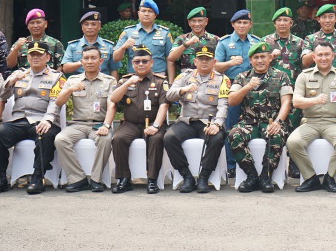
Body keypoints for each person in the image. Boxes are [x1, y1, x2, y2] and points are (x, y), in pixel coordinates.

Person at [0, 41, 65, 194]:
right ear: (27, 58)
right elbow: (2, 95)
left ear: (47, 57)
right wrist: (11, 81)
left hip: (42, 119)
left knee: (44, 135)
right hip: (19, 120)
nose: (35, 57)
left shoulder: (56, 77)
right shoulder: (19, 73)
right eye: (32, 55)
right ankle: (0, 177)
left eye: (39, 55)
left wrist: (48, 119)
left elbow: (56, 102)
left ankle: (37, 177)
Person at [286, 41, 336, 193]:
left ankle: (330, 178)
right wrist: (314, 100)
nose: (323, 58)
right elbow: (296, 102)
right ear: (313, 57)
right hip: (310, 122)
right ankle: (311, 178)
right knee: (293, 142)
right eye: (320, 55)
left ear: (333, 56)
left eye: (327, 54)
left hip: (333, 123)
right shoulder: (304, 76)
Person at [163, 42, 230, 194]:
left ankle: (204, 176)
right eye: (201, 59)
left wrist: (217, 124)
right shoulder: (185, 76)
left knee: (217, 139)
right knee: (169, 138)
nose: (204, 62)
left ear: (214, 61)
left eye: (208, 59)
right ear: (195, 61)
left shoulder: (222, 79)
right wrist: (183, 90)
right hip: (187, 121)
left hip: (208, 123)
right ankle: (186, 176)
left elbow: (223, 105)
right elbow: (169, 95)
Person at [228, 41, 292, 193]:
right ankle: (251, 176)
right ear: (250, 60)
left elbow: (286, 103)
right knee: (234, 135)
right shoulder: (242, 77)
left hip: (271, 121)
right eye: (256, 57)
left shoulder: (281, 76)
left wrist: (278, 122)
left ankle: (265, 176)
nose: (260, 61)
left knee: (276, 135)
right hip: (248, 122)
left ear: (270, 58)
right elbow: (231, 101)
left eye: (263, 57)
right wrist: (247, 87)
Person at [54, 45, 118, 193]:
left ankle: (96, 179)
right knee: (60, 139)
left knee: (105, 139)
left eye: (93, 58)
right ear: (81, 61)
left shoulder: (109, 81)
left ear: (100, 61)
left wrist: (106, 126)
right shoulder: (73, 80)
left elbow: (112, 105)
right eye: (86, 58)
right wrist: (70, 89)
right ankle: (78, 179)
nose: (90, 61)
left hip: (99, 124)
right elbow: (58, 102)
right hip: (77, 124)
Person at [109, 45, 170, 194]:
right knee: (118, 139)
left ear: (151, 63)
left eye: (144, 61)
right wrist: (127, 84)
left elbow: (164, 106)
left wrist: (156, 126)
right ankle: (124, 179)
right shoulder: (125, 80)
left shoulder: (160, 81)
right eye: (137, 61)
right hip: (131, 123)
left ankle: (152, 179)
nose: (141, 64)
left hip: (154, 122)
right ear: (132, 63)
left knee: (156, 139)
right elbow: (113, 99)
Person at [215, 9, 261, 177]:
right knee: (231, 126)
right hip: (231, 87)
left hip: (253, 87)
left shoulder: (256, 42)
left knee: (255, 123)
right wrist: (230, 63)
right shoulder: (224, 43)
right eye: (239, 23)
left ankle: (254, 161)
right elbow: (215, 66)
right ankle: (231, 164)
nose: (242, 25)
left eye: (245, 23)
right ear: (233, 24)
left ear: (250, 24)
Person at [264, 7, 305, 177]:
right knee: (274, 126)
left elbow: (305, 65)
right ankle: (274, 163)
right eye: (279, 20)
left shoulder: (300, 43)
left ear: (291, 23)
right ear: (274, 23)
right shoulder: (265, 42)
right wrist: (270, 56)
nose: (282, 23)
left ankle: (294, 163)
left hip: (294, 92)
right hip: (271, 93)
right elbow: (257, 64)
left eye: (285, 20)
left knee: (294, 127)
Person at [113, 0, 174, 83]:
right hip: (134, 78)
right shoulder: (128, 32)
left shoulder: (164, 33)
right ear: (138, 13)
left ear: (155, 15)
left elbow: (170, 59)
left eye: (150, 11)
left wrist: (171, 83)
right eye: (143, 11)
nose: (146, 14)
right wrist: (123, 47)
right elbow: (115, 58)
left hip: (158, 78)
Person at [61, 11, 119, 79]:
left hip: (103, 83)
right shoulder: (73, 46)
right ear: (82, 27)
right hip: (79, 82)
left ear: (99, 26)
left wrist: (113, 85)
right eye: (86, 24)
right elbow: (65, 68)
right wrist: (83, 62)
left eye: (93, 24)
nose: (90, 27)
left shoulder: (108, 46)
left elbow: (114, 70)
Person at [167, 6, 219, 75]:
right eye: (194, 21)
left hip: (208, 78)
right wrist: (186, 44)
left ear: (206, 21)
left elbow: (219, 63)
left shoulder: (215, 40)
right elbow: (171, 58)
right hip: (187, 78)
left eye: (200, 21)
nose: (197, 24)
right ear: (189, 22)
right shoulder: (181, 39)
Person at [302, 4, 336, 74]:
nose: (327, 20)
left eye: (331, 17)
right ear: (318, 19)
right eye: (324, 17)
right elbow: (305, 62)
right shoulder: (310, 39)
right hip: (317, 79)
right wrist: (318, 51)